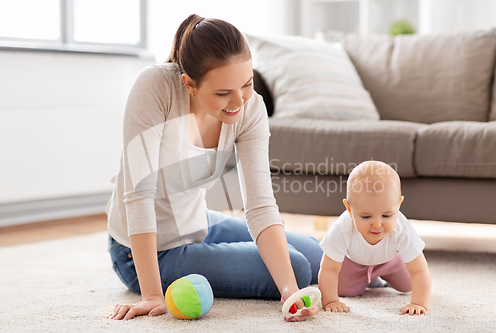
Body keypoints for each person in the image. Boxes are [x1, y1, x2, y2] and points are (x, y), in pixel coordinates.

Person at [106, 14, 322, 322]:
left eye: (246, 84)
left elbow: (260, 205)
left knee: (316, 254)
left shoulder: (251, 108)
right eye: (223, 93)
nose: (239, 101)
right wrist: (153, 295)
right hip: (146, 251)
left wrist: (289, 292)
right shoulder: (155, 88)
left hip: (197, 223)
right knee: (298, 267)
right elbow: (139, 196)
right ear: (190, 85)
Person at [318, 161, 431, 315]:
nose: (377, 224)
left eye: (386, 215)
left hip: (390, 261)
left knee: (408, 285)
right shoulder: (342, 228)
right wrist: (330, 300)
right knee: (343, 290)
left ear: (398, 205)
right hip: (354, 263)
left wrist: (418, 303)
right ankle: (369, 280)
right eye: (366, 216)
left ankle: (378, 275)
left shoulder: (402, 228)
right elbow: (329, 269)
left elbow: (419, 270)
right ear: (350, 210)